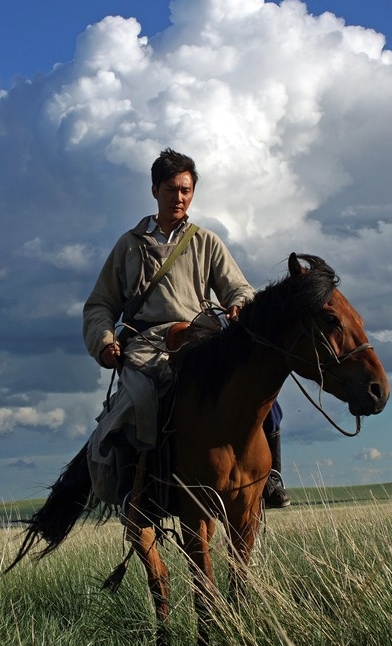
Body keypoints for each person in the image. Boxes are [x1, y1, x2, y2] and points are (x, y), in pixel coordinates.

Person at [82, 148, 291, 508]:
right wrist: (103, 340)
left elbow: (237, 286)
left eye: (185, 190)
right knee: (140, 402)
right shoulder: (129, 245)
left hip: (201, 336)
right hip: (146, 343)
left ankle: (269, 477)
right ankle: (139, 490)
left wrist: (239, 302)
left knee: (257, 391)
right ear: (154, 190)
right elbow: (100, 304)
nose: (179, 197)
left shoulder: (205, 240)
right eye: (170, 189)